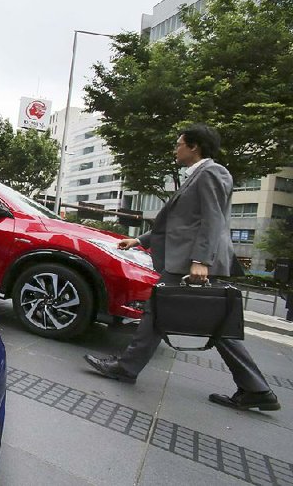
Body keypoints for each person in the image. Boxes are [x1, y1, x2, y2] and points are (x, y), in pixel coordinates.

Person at [84, 124, 280, 412]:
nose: (175, 149)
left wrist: (202, 261)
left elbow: (213, 220)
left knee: (160, 312)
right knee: (196, 321)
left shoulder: (212, 172)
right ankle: (256, 389)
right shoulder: (197, 175)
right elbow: (181, 224)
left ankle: (126, 368)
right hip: (189, 261)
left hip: (193, 263)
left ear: (194, 147)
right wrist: (139, 240)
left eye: (179, 144)